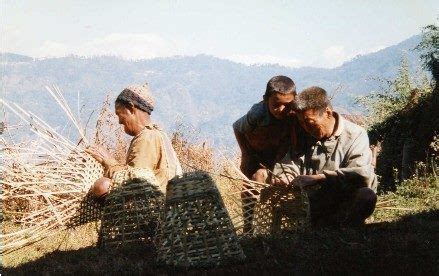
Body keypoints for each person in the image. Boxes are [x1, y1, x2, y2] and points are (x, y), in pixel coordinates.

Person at [269, 86, 378, 227]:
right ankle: (319, 226)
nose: (306, 128)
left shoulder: (356, 134)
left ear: (327, 113)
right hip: (313, 200)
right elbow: (289, 162)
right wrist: (286, 175)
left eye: (310, 122)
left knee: (366, 196)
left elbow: (360, 175)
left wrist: (317, 179)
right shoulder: (303, 133)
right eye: (302, 123)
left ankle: (341, 227)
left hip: (344, 198)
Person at [86, 84, 182, 199]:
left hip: (157, 205)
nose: (119, 121)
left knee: (102, 186)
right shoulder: (157, 134)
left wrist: (108, 161)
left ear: (131, 108)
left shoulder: (147, 137)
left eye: (119, 114)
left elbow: (134, 181)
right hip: (165, 200)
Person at [233, 75, 298, 232]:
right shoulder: (257, 113)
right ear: (265, 99)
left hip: (281, 153)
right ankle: (248, 226)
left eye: (287, 105)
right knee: (254, 182)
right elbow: (237, 127)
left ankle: (275, 227)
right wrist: (246, 153)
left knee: (280, 186)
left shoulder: (295, 113)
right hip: (257, 153)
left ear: (294, 100)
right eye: (276, 105)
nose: (282, 110)